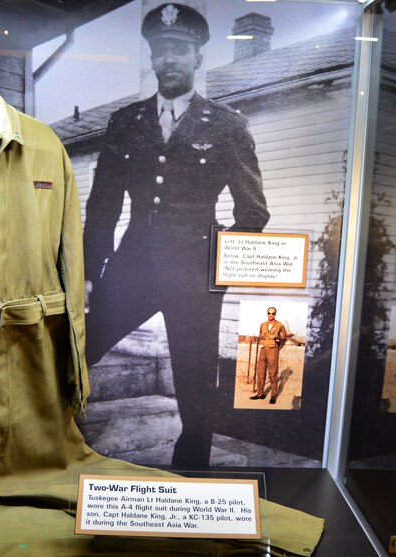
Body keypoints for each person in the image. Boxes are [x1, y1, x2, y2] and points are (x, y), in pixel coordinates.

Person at [82, 3, 270, 467]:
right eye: (160, 50)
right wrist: (90, 271)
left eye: (180, 50)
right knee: (76, 350)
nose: (169, 59)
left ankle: (191, 470)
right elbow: (103, 204)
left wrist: (214, 259)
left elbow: (254, 210)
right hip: (131, 267)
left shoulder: (227, 125)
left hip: (195, 276)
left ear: (198, 58)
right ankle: (54, 444)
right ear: (151, 58)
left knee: (196, 380)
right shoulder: (125, 122)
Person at [251, 307, 288, 404]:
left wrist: (278, 348)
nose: (271, 314)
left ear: (275, 314)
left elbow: (284, 338)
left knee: (273, 374)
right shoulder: (263, 325)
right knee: (260, 372)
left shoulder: (280, 325)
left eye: (273, 313)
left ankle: (273, 395)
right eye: (269, 313)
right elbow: (260, 336)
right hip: (263, 350)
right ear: (267, 313)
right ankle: (260, 393)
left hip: (273, 350)